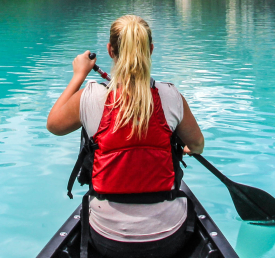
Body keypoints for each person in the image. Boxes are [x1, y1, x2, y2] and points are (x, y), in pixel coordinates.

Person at [47, 15, 205, 258]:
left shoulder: (90, 97)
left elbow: (53, 124)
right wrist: (186, 148)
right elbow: (197, 145)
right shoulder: (171, 96)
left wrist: (79, 74)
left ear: (111, 51)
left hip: (107, 239)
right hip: (168, 238)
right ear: (150, 50)